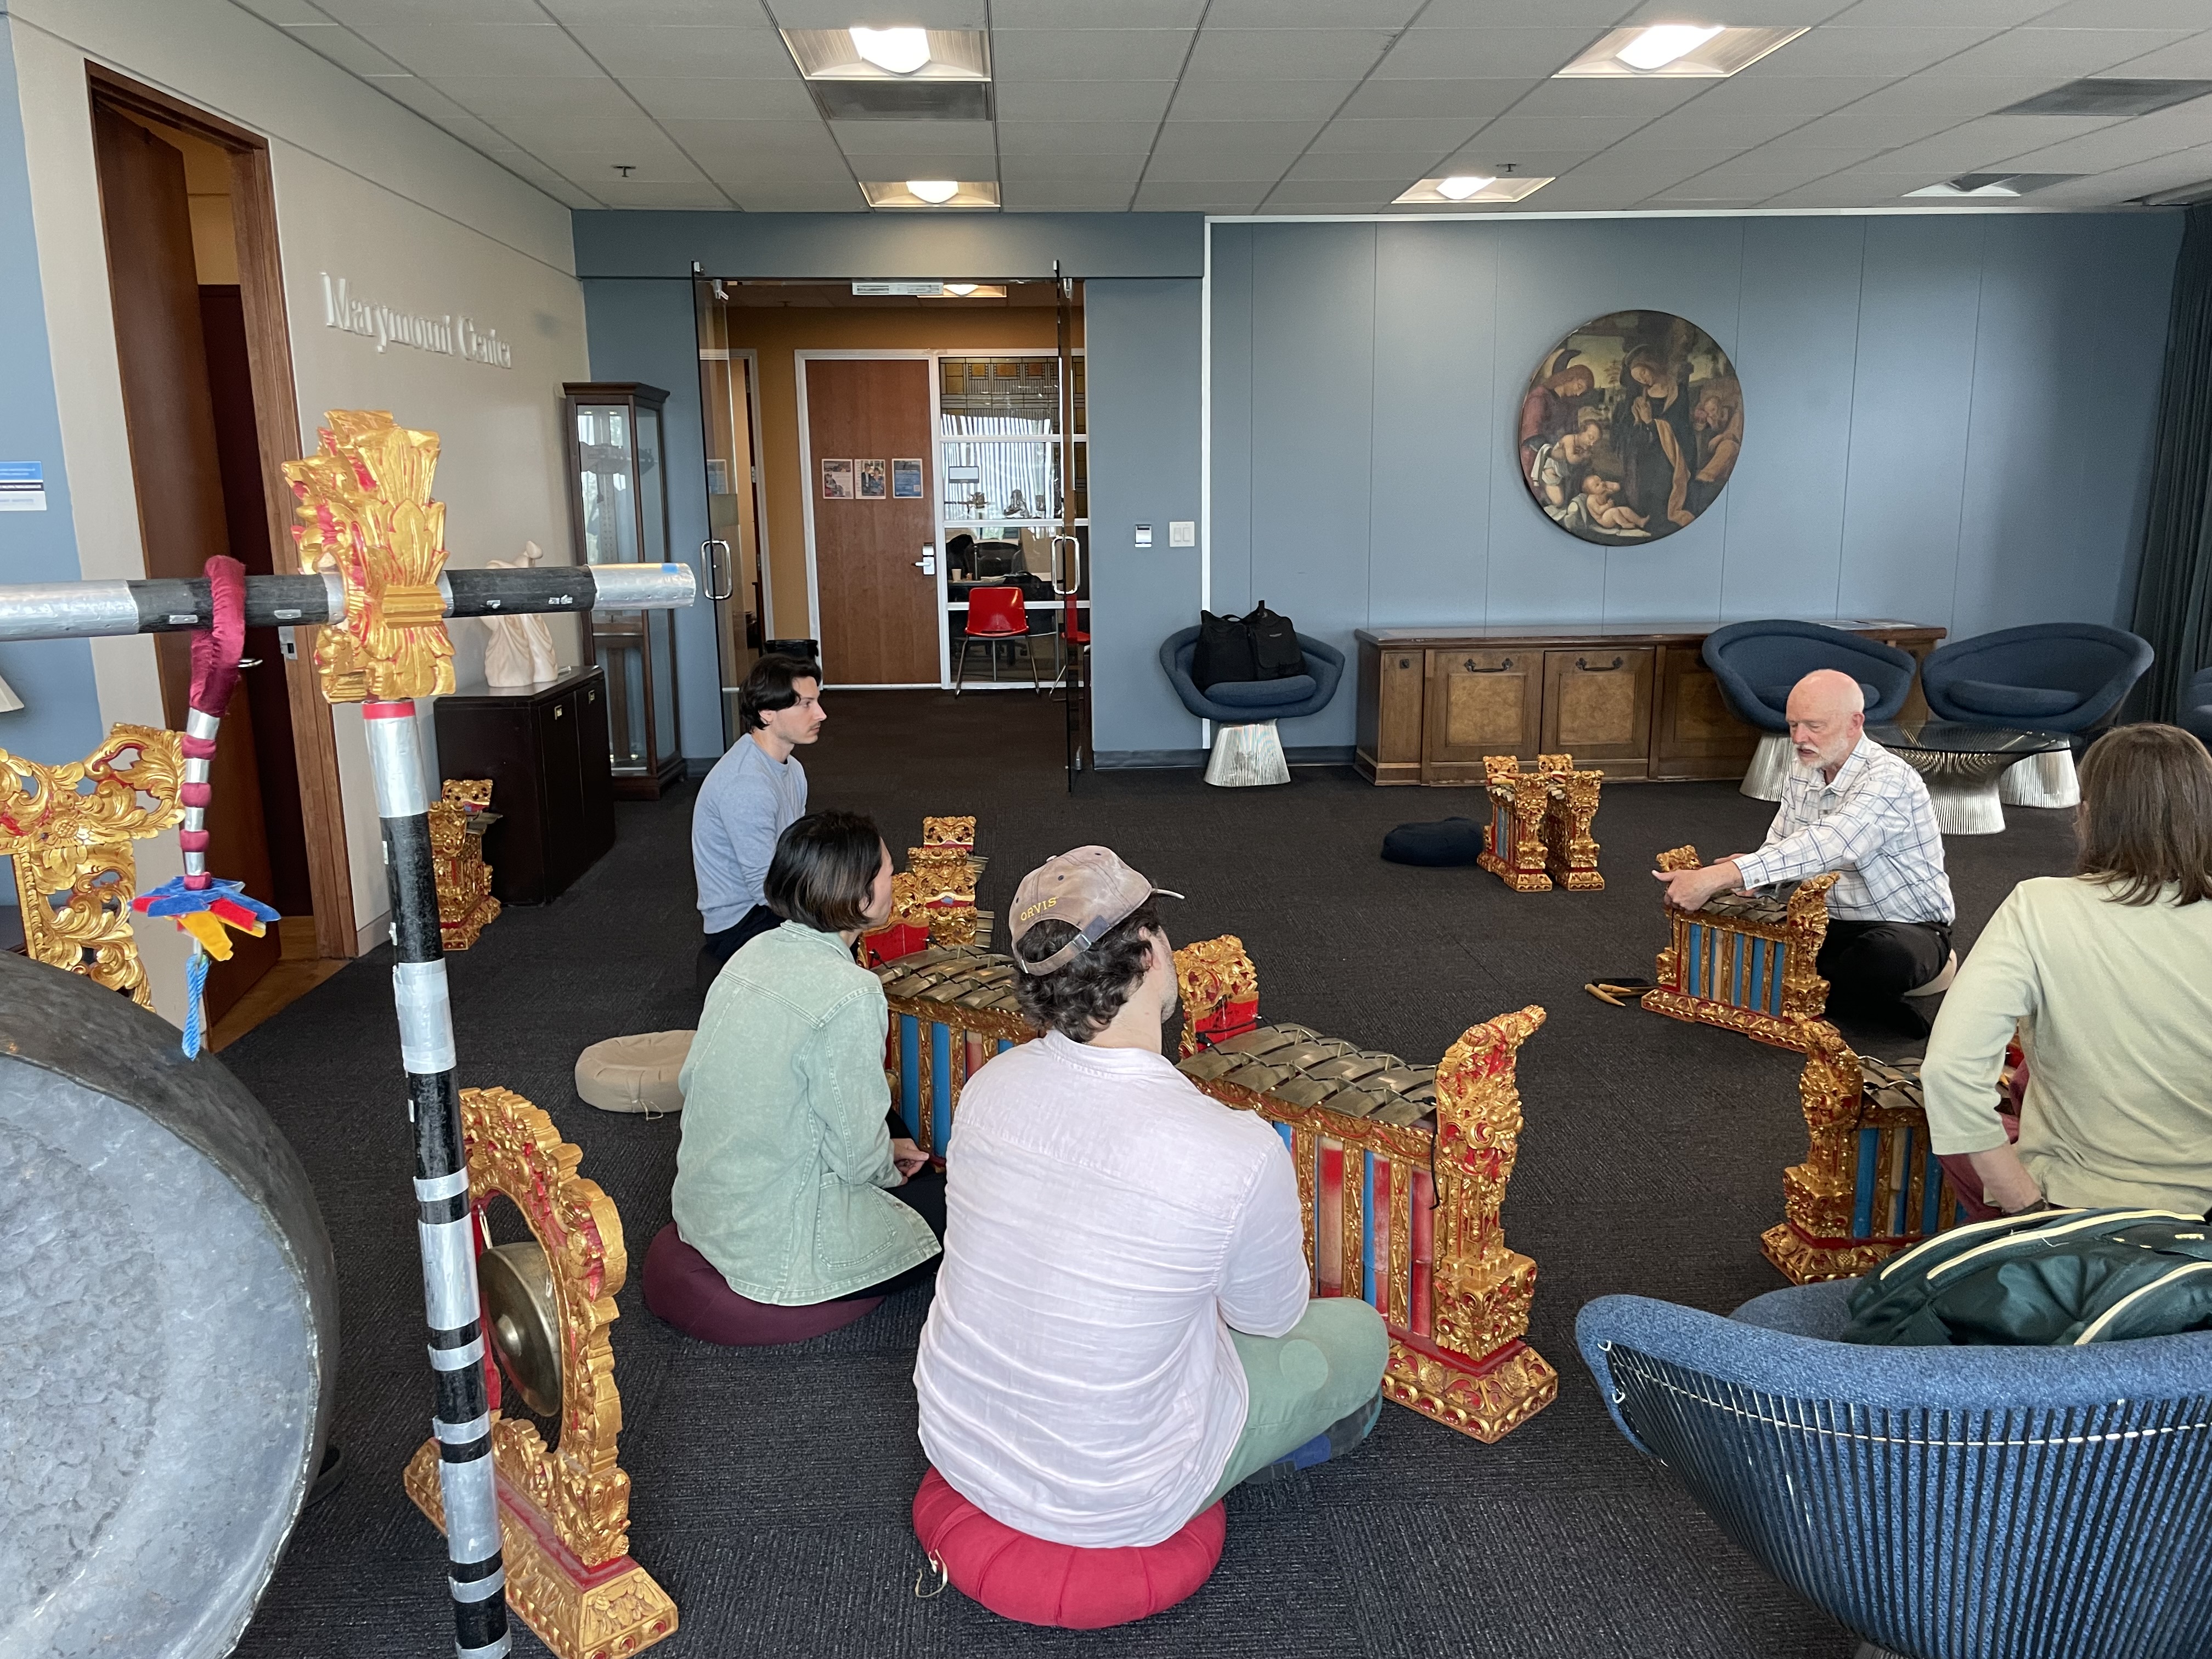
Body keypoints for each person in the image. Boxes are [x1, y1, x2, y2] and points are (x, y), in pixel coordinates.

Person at [913, 847, 1387, 1548]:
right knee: (1357, 1335)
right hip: (1117, 1494)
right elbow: (1270, 1318)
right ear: (1149, 952)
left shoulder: (987, 1091)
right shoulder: (1238, 1149)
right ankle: (1244, 1458)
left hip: (952, 1433)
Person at [1919, 724, 2212, 1217]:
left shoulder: (2038, 905)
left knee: (1961, 1129)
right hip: (2201, 1214)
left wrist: (2025, 1207)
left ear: (2089, 816)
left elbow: (1949, 1073)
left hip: (2074, 1203)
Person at [673, 810, 941, 1307]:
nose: (894, 880)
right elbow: (858, 1159)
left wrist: (887, 1146)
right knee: (962, 1207)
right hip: (777, 1246)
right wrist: (889, 1166)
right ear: (858, 894)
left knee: (887, 1119)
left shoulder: (751, 952)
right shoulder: (851, 991)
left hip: (706, 1210)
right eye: (886, 870)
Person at [1654, 668, 1955, 1031]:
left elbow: (1833, 843)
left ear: (1853, 723)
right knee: (1756, 950)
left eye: (1813, 726)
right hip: (1825, 923)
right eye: (1793, 725)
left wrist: (1719, 875)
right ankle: (1845, 999)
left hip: (1906, 927)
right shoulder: (1805, 765)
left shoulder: (1889, 778)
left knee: (1882, 958)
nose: (1799, 738)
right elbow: (1783, 846)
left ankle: (1853, 993)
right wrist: (1754, 881)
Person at [692, 654, 823, 995]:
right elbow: (764, 888)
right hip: (741, 921)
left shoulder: (790, 768)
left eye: (817, 702)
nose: (820, 714)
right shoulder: (746, 785)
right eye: (806, 705)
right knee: (844, 932)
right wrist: (829, 907)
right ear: (767, 713)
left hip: (771, 899)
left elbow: (796, 853)